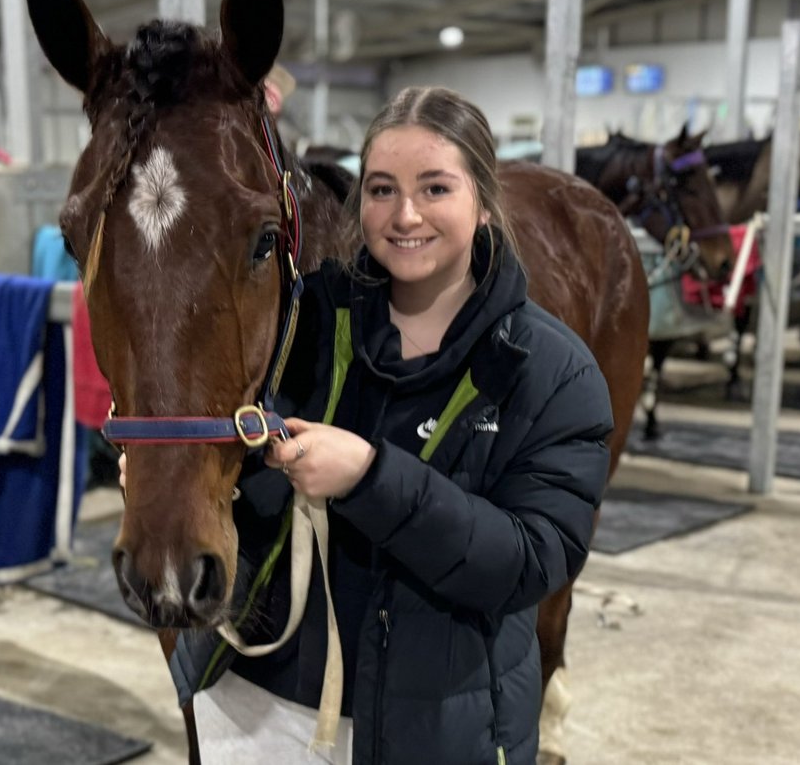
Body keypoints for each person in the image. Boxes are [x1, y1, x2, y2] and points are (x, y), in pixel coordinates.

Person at [139, 87, 614, 764]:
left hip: (427, 732)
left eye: (436, 188)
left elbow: (529, 561)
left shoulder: (554, 375)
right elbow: (233, 448)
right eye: (383, 189)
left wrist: (369, 477)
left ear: (483, 201)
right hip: (251, 704)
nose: (406, 214)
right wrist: (173, 466)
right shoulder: (299, 321)